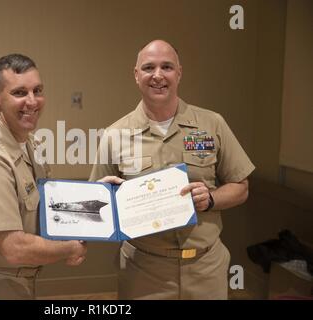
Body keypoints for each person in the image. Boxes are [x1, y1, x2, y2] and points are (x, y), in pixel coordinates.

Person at [89, 40, 255, 299]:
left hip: (206, 268)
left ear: (179, 73)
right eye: (148, 67)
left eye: (166, 67)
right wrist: (107, 198)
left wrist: (210, 198)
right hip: (143, 270)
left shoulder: (212, 124)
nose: (158, 75)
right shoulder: (114, 135)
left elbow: (241, 187)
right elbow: (95, 207)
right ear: (136, 75)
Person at [0, 54, 88, 300]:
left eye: (37, 90)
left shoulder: (28, 143)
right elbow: (13, 248)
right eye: (19, 93)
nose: (32, 101)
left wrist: (99, 195)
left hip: (17, 281)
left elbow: (47, 204)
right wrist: (70, 248)